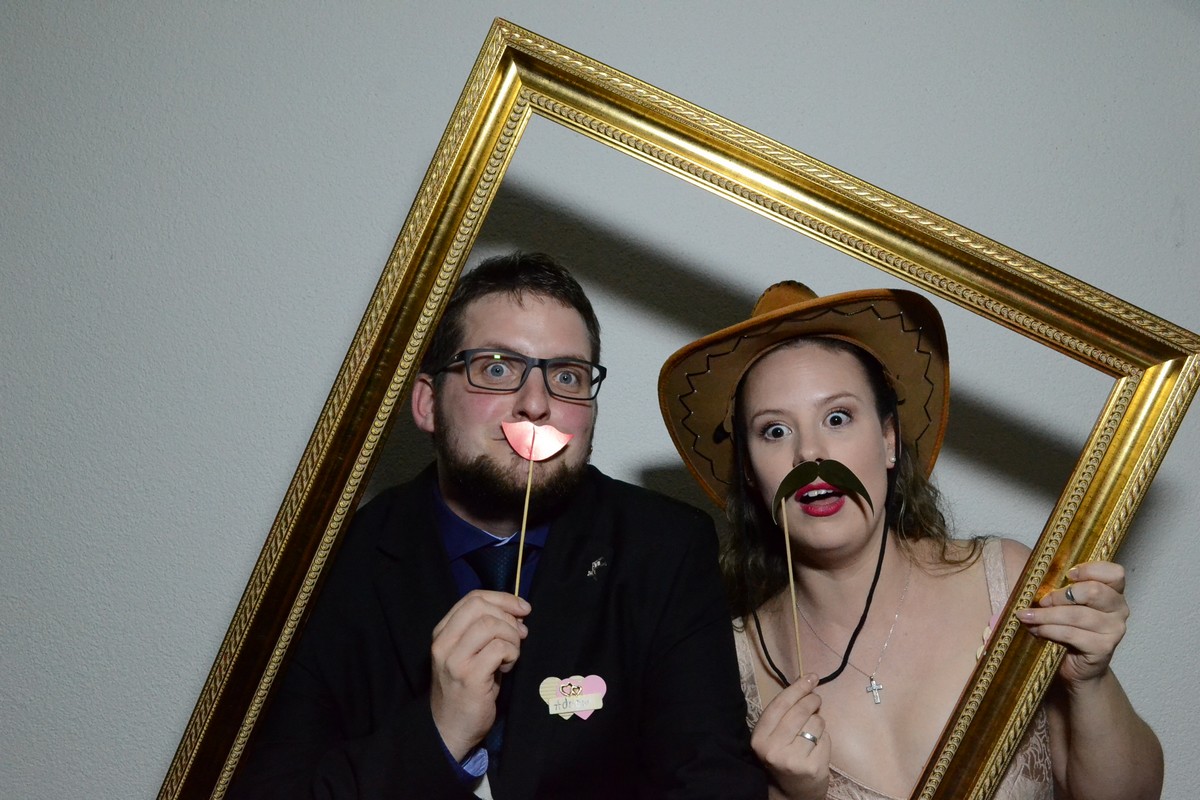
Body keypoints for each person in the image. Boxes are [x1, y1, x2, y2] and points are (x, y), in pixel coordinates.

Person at [229, 253, 765, 799]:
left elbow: (712, 781)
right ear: (428, 404)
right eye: (497, 368)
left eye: (567, 376)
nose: (536, 404)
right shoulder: (333, 560)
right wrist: (441, 732)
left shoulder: (665, 548)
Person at [658, 281, 1163, 800]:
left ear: (889, 440)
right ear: (749, 471)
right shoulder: (727, 665)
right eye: (774, 431)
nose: (809, 453)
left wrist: (1089, 681)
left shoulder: (1009, 582)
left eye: (837, 418)